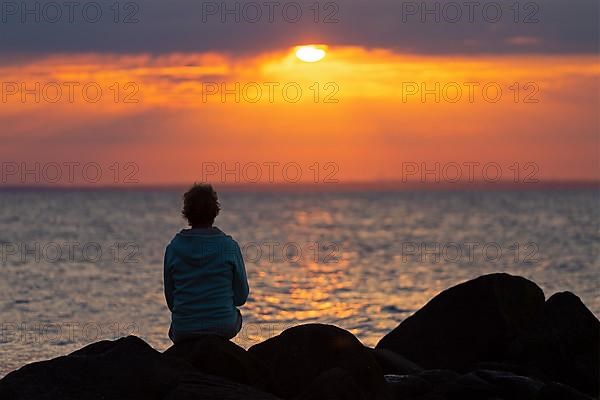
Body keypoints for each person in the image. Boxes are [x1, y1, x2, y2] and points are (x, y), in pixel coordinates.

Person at [163, 183, 249, 343]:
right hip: (223, 326)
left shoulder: (173, 248)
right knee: (236, 315)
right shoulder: (229, 246)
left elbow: (171, 301)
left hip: (184, 329)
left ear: (187, 213)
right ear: (214, 212)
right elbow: (241, 297)